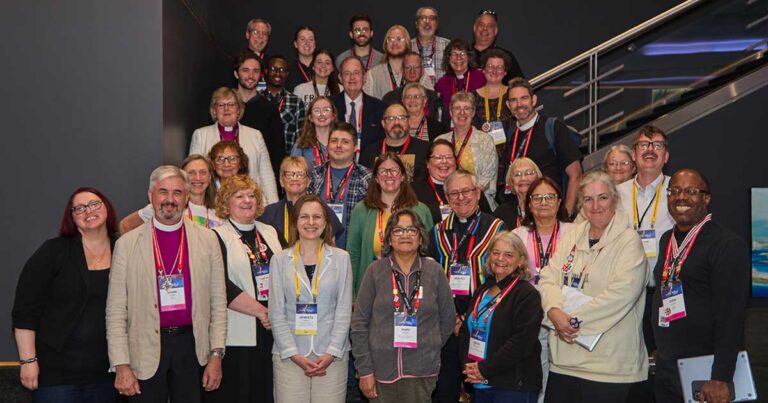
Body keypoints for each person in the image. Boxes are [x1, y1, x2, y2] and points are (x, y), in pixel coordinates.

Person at [106, 165, 227, 402]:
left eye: (177, 193)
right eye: (163, 192)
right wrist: (121, 364)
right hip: (144, 349)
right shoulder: (127, 244)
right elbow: (116, 310)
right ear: (150, 196)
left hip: (193, 349)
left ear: (187, 197)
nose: (170, 200)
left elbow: (218, 303)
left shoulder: (208, 239)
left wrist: (216, 355)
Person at [538, 171, 648, 403]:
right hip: (564, 364)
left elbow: (620, 296)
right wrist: (554, 312)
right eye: (588, 199)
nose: (595, 206)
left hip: (609, 369)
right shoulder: (573, 235)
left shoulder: (629, 242)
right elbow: (548, 277)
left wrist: (570, 322)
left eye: (603, 198)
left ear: (615, 200)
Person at [652, 169, 749, 403]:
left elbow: (731, 316)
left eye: (691, 191)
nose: (681, 197)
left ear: (706, 198)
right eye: (674, 191)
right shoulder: (667, 240)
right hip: (667, 365)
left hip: (706, 368)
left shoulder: (726, 244)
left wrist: (721, 377)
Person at [13, 188, 119, 402]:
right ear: (72, 217)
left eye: (94, 204)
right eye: (79, 208)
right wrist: (28, 361)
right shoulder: (53, 251)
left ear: (107, 207)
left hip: (109, 373)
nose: (88, 211)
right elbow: (25, 311)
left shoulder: (123, 249)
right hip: (57, 374)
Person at [351, 209, 455, 401]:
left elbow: (448, 319)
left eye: (411, 230)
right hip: (380, 370)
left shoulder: (434, 271)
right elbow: (359, 324)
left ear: (420, 237)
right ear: (389, 239)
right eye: (398, 230)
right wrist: (364, 370)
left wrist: (430, 344)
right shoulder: (375, 271)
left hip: (422, 370)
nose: (405, 235)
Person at [428, 169, 505, 402]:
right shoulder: (437, 232)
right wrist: (451, 317)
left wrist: (469, 317)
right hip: (447, 325)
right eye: (454, 193)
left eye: (466, 191)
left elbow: (502, 278)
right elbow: (430, 279)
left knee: (482, 390)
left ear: (478, 193)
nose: (461, 198)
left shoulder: (497, 229)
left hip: (483, 323)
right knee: (446, 390)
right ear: (447, 198)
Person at [269, 194, 353, 402]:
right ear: (295, 222)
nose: (311, 222)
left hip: (331, 356)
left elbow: (344, 309)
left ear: (326, 222)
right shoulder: (279, 260)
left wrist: (331, 352)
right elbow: (276, 312)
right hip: (290, 356)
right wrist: (293, 353)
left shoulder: (341, 258)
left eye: (317, 216)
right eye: (304, 217)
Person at [207, 175, 283, 403]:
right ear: (226, 202)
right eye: (239, 196)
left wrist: (275, 313)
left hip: (272, 330)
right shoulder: (216, 236)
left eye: (251, 195)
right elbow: (219, 284)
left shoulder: (271, 232)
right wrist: (262, 312)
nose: (247, 200)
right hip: (238, 332)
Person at [511, 177, 576, 402]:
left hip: (564, 312)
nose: (543, 202)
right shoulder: (518, 235)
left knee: (566, 372)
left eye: (549, 197)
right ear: (529, 204)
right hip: (530, 315)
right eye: (537, 197)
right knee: (538, 371)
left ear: (559, 201)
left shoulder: (575, 232)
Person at [459, 231, 543, 402]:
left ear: (521, 260)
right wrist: (470, 369)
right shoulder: (482, 290)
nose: (500, 259)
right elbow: (466, 332)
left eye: (509, 255)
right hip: (480, 382)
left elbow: (521, 343)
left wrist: (484, 369)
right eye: (496, 253)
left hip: (512, 386)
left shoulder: (527, 294)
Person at [616, 125, 674, 363]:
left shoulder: (677, 191)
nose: (650, 150)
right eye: (643, 145)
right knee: (630, 361)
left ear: (666, 156)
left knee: (664, 361)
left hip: (665, 293)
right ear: (633, 154)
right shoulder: (616, 194)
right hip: (627, 295)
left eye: (657, 145)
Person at [347, 154, 433, 298]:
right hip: (372, 287)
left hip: (411, 286)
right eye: (383, 171)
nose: (389, 175)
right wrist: (353, 295)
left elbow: (429, 253)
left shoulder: (421, 210)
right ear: (376, 178)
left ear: (403, 176)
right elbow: (353, 255)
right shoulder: (361, 210)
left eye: (394, 170)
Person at [502, 77, 582, 213]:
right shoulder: (511, 133)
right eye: (514, 100)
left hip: (550, 210)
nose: (519, 104)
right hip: (522, 212)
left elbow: (576, 174)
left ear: (534, 100)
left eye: (524, 98)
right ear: (508, 105)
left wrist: (566, 214)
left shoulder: (553, 128)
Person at [189, 86, 279, 204]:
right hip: (214, 203)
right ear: (214, 111)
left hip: (250, 202)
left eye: (231, 104)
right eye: (221, 105)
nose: (226, 109)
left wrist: (273, 207)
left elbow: (266, 175)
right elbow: (192, 173)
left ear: (239, 110)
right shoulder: (200, 135)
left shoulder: (255, 135)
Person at [120, 154, 220, 234]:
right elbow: (125, 225)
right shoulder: (166, 206)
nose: (197, 178)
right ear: (183, 179)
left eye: (203, 172)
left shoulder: (219, 212)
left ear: (210, 177)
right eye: (191, 173)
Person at [308, 122, 373, 242]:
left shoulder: (367, 178)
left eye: (345, 142)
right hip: (318, 247)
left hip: (353, 248)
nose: (338, 145)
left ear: (355, 147)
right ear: (328, 145)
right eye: (334, 141)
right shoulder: (315, 175)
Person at [259, 156, 345, 245]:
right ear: (281, 181)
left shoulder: (321, 209)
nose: (295, 178)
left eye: (300, 174)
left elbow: (332, 242)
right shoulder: (268, 214)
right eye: (289, 174)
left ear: (309, 181)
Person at [437, 91, 498, 205]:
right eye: (457, 108)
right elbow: (435, 173)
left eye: (467, 108)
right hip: (446, 200)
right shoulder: (440, 141)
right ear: (450, 112)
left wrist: (464, 196)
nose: (462, 112)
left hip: (478, 201)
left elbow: (487, 178)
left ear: (473, 112)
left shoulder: (485, 140)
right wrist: (453, 195)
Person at [413, 139, 492, 224]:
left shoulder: (470, 185)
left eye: (449, 157)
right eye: (438, 158)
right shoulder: (414, 190)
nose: (444, 161)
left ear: (456, 162)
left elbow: (488, 219)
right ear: (427, 163)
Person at [233, 50, 286, 177]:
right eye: (245, 70)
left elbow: (277, 153)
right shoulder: (225, 106)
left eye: (256, 71)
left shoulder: (270, 109)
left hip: (259, 179)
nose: (251, 76)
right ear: (236, 74)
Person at [360, 103, 429, 181]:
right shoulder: (369, 153)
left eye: (402, 118)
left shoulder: (426, 150)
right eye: (391, 118)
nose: (396, 122)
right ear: (383, 124)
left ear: (409, 121)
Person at [363, 25, 433, 100]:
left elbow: (431, 101)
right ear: (386, 44)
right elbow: (367, 104)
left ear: (407, 43)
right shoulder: (372, 75)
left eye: (399, 39)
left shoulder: (420, 73)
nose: (395, 43)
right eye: (391, 39)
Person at [331, 56, 385, 153]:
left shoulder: (379, 108)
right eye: (347, 73)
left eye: (356, 73)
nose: (352, 77)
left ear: (364, 77)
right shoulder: (330, 106)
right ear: (340, 78)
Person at [262, 54, 307, 154]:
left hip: (287, 158)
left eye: (282, 70)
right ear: (266, 71)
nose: (278, 73)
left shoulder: (296, 102)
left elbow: (301, 137)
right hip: (260, 157)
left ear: (287, 74)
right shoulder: (258, 100)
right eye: (273, 69)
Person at [382, 58, 446, 126]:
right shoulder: (389, 98)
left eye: (417, 97)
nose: (412, 71)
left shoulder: (435, 98)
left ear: (425, 100)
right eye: (408, 97)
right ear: (403, 100)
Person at [473, 49, 513, 146]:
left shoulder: (512, 94)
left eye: (499, 67)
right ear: (483, 70)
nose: (494, 71)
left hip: (509, 150)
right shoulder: (472, 97)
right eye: (490, 66)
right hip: (479, 150)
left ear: (505, 72)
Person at [434, 39, 486, 114]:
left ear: (469, 57)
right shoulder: (442, 83)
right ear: (448, 58)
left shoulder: (481, 77)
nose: (458, 57)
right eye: (454, 54)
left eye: (462, 53)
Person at [471, 10, 524, 83]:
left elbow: (519, 85)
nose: (484, 29)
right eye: (481, 25)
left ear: (495, 31)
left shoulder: (506, 56)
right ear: (474, 28)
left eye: (490, 26)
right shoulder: (462, 55)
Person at [494, 157, 542, 229]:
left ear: (538, 178)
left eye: (529, 173)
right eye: (517, 174)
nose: (523, 178)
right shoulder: (501, 213)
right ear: (511, 182)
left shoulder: (547, 207)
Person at [290, 96, 337, 168]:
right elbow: (292, 169)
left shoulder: (341, 142)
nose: (321, 114)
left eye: (326, 110)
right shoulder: (301, 144)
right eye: (316, 111)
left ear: (333, 116)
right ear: (310, 117)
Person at [411, 6, 450, 85]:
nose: (427, 22)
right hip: (416, 92)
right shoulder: (407, 46)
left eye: (432, 18)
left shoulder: (447, 45)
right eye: (423, 18)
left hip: (441, 92)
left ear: (436, 24)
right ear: (416, 24)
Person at [244, 18, 271, 93]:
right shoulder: (238, 60)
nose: (260, 36)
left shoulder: (271, 62)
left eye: (264, 33)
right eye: (256, 32)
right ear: (247, 35)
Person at [288, 26, 316, 92]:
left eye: (311, 39)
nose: (307, 43)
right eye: (302, 39)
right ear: (295, 44)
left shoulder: (324, 68)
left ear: (315, 44)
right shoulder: (288, 70)